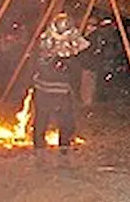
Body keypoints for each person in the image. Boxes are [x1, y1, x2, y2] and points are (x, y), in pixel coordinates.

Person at [33, 13, 89, 152]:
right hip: (48, 85)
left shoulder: (71, 40)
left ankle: (60, 145)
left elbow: (79, 59)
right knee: (46, 117)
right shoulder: (46, 40)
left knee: (60, 118)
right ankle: (43, 144)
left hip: (58, 86)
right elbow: (41, 60)